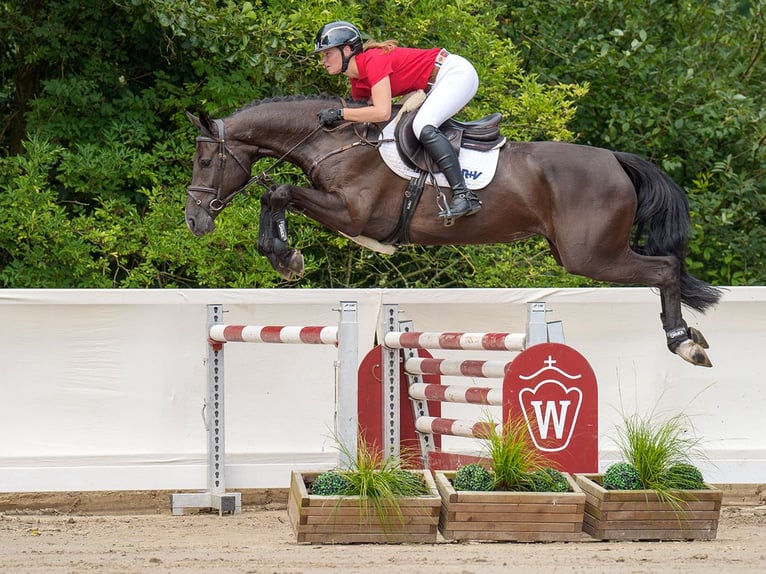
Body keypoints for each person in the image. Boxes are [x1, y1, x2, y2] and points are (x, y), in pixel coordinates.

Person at [313, 21, 481, 221]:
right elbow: (365, 118)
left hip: (454, 74)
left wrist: (340, 114)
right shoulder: (357, 80)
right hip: (435, 84)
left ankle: (463, 194)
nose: (323, 60)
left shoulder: (373, 60)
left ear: (347, 50)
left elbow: (382, 112)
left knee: (422, 125)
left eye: (327, 54)